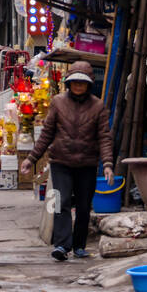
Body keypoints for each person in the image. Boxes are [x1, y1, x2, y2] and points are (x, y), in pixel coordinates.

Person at [20, 61, 114, 262]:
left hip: (87, 164)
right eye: (75, 82)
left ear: (89, 85)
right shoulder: (58, 102)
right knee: (60, 203)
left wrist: (107, 164)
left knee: (83, 206)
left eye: (82, 83)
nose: (78, 86)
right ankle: (62, 245)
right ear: (68, 83)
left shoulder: (98, 106)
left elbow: (105, 137)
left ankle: (79, 245)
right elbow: (47, 134)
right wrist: (31, 159)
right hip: (60, 162)